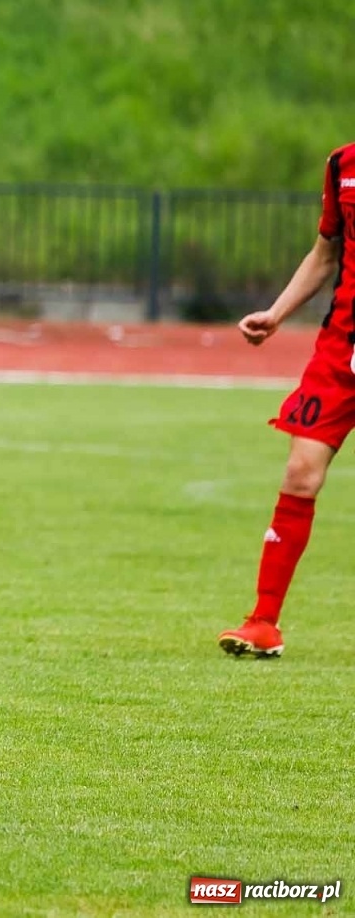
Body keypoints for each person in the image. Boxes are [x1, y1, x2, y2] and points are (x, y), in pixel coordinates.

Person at [218, 143, 355, 658]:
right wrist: (277, 313)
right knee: (300, 471)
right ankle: (263, 622)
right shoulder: (342, 165)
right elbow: (326, 253)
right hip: (341, 349)